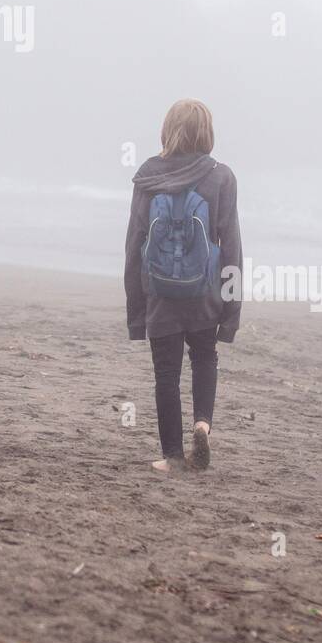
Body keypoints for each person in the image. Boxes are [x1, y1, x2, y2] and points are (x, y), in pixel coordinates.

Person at [124, 99, 242, 474]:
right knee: (205, 357)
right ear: (207, 133)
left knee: (166, 373)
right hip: (205, 292)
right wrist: (231, 312)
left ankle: (173, 456)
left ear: (167, 129)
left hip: (160, 293)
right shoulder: (221, 177)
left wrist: (136, 314)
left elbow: (134, 246)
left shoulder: (147, 176)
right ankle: (202, 425)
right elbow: (232, 247)